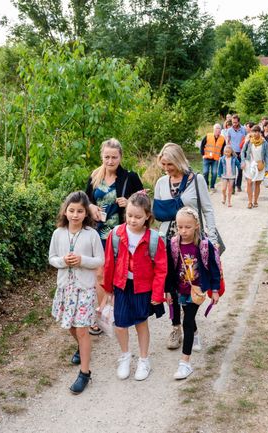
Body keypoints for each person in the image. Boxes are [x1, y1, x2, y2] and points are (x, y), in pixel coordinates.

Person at [153, 142, 219, 350]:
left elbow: (207, 210)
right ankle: (176, 327)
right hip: (168, 241)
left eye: (170, 164)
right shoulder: (161, 183)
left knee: (192, 281)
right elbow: (157, 215)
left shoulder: (196, 180)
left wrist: (213, 239)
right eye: (163, 165)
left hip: (192, 241)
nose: (166, 169)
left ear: (179, 160)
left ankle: (191, 325)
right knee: (170, 284)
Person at [102, 192, 166, 381]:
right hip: (121, 285)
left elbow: (161, 269)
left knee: (141, 322)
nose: (132, 220)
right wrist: (107, 289)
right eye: (129, 215)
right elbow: (108, 263)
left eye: (138, 217)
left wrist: (157, 293)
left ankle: (144, 359)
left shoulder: (154, 239)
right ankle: (125, 355)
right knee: (120, 324)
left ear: (147, 216)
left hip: (143, 287)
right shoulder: (116, 234)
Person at [85, 138, 144, 335]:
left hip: (120, 235)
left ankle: (119, 309)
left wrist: (128, 203)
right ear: (101, 156)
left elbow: (143, 203)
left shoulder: (130, 177)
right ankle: (102, 312)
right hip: (97, 234)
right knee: (100, 274)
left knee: (119, 274)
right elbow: (85, 201)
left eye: (114, 157)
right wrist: (91, 206)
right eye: (106, 157)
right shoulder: (94, 177)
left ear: (120, 157)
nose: (110, 161)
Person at [48, 191, 105, 394]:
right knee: (71, 327)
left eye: (80, 211)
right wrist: (62, 261)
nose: (75, 215)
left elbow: (100, 260)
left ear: (86, 213)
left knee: (82, 329)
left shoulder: (91, 234)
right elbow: (52, 258)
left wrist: (82, 260)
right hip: (65, 289)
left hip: (85, 289)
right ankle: (82, 348)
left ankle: (85, 373)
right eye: (71, 210)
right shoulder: (58, 234)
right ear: (65, 211)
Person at [165, 207, 221, 379]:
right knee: (187, 318)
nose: (183, 231)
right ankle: (195, 334)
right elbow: (168, 269)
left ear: (196, 225)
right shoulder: (173, 244)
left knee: (187, 320)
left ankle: (185, 364)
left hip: (197, 290)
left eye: (187, 227)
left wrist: (215, 289)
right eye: (180, 227)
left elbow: (213, 268)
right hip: (179, 289)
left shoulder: (204, 246)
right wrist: (167, 290)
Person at [241, 125, 268, 209]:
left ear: (260, 133)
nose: (256, 133)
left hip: (260, 165)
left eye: (258, 131)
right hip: (249, 164)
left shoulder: (264, 142)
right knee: (249, 182)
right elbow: (242, 152)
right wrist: (243, 162)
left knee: (257, 184)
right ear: (251, 132)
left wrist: (267, 169)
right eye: (254, 131)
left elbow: (266, 156)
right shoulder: (248, 141)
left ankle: (255, 201)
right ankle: (250, 202)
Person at [199, 123, 225, 191]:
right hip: (206, 158)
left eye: (219, 130)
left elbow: (223, 149)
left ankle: (212, 186)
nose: (218, 131)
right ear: (214, 130)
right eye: (217, 129)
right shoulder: (208, 136)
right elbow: (202, 145)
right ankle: (206, 185)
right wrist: (202, 154)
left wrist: (222, 157)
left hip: (215, 159)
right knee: (205, 172)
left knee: (214, 173)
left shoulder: (222, 139)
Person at [225, 115, 246, 193]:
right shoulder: (229, 130)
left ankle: (238, 185)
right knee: (233, 170)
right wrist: (228, 150)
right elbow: (227, 141)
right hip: (232, 152)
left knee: (240, 169)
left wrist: (243, 151)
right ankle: (232, 187)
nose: (234, 124)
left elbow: (246, 140)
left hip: (241, 152)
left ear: (239, 122)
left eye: (235, 122)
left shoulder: (243, 129)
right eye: (233, 122)